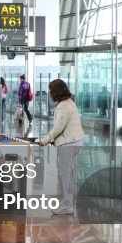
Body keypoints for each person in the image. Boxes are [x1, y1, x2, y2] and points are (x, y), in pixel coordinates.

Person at [39, 79, 85, 216]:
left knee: (65, 174)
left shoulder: (64, 106)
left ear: (56, 92)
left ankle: (67, 205)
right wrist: (56, 140)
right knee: (66, 173)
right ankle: (67, 202)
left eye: (51, 90)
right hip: (74, 141)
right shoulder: (69, 103)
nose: (50, 93)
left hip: (70, 144)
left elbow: (58, 127)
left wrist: (45, 140)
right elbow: (67, 127)